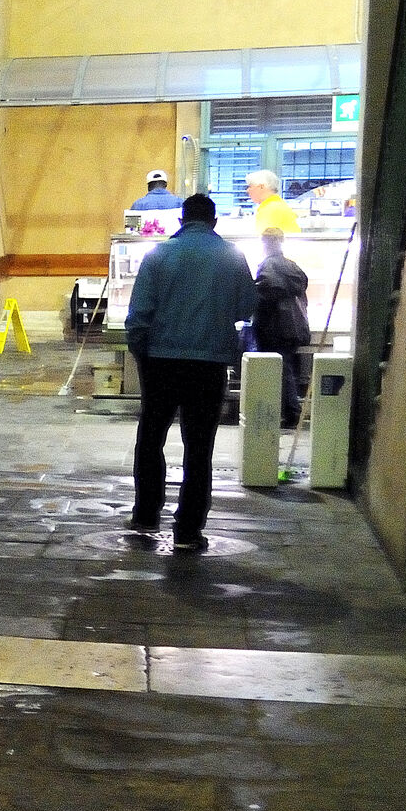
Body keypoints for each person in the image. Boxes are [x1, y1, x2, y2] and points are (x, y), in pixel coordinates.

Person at [126, 192, 257, 550]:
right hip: (209, 365)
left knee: (151, 439)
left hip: (162, 362)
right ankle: (188, 529)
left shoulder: (160, 254)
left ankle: (146, 513)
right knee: (199, 449)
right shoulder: (232, 256)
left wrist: (142, 353)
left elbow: (138, 317)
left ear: (181, 220)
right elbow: (247, 306)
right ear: (214, 222)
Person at [252, 230, 312, 428]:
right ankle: (290, 411)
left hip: (275, 327)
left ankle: (291, 413)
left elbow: (266, 292)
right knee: (286, 370)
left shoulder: (268, 265)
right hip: (294, 326)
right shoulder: (292, 266)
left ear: (265, 243)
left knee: (280, 371)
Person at [244, 169, 300, 235]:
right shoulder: (276, 205)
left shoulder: (271, 209)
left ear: (261, 187)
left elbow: (264, 240)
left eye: (250, 186)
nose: (247, 190)